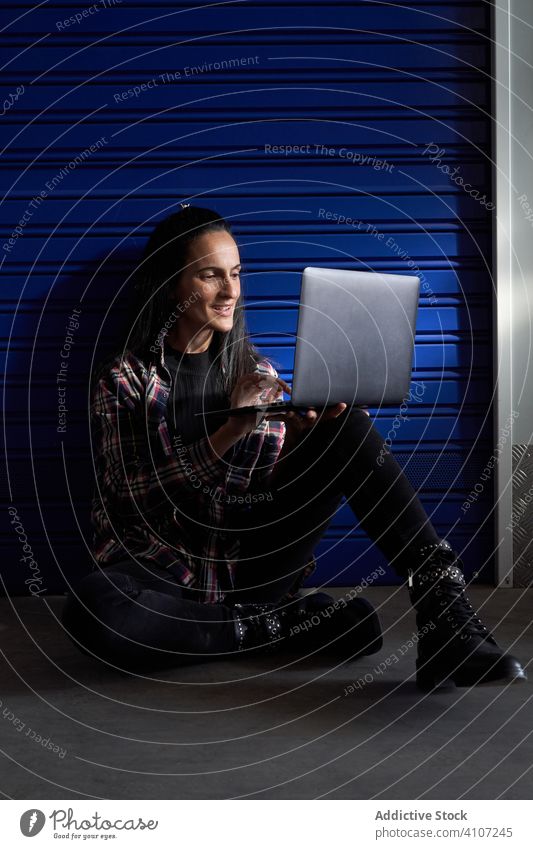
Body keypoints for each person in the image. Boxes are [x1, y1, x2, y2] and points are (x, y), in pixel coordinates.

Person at [61, 204, 526, 692]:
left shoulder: (260, 375)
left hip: (254, 566)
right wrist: (232, 429)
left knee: (347, 430)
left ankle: (446, 616)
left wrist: (307, 437)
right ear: (171, 285)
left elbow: (261, 493)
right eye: (210, 275)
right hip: (165, 573)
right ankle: (282, 624)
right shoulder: (126, 380)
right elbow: (132, 496)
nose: (230, 291)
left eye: (236, 275)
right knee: (97, 608)